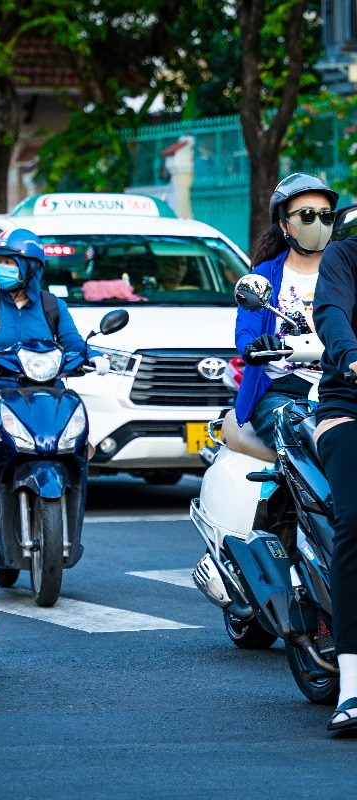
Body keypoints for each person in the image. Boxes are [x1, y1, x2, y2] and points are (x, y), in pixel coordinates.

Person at [0, 229, 108, 525]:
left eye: (10, 261)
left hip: (50, 392)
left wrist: (94, 355)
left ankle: (69, 500)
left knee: (83, 432)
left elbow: (73, 342)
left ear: (31, 266)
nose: (1, 268)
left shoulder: (52, 306)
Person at [234, 173, 338, 449]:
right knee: (311, 435)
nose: (317, 223)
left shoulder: (346, 272)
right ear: (284, 223)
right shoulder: (265, 275)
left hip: (340, 388)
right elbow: (246, 330)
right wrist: (255, 346)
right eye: (306, 215)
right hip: (280, 391)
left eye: (326, 216)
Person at [310, 203, 357, 732]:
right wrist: (350, 356)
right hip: (348, 404)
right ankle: (352, 685)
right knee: (355, 524)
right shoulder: (344, 256)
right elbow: (332, 314)